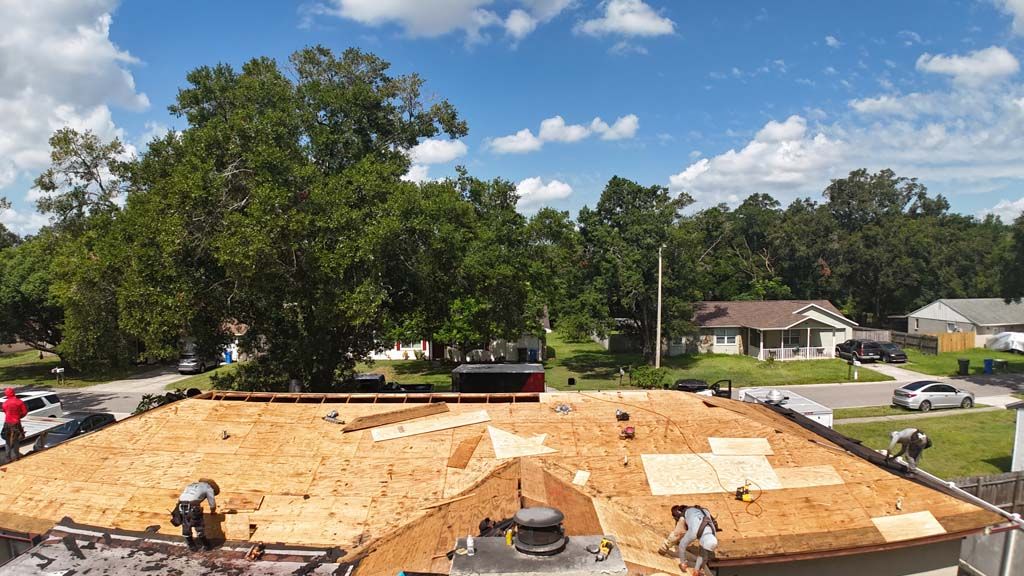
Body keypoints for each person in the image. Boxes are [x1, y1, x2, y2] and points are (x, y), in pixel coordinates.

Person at [660, 504, 719, 575]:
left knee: (703, 553)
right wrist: (683, 563)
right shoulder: (694, 532)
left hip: (702, 514)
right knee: (678, 534)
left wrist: (697, 569)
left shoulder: (713, 534)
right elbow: (682, 545)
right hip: (688, 513)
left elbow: (703, 554)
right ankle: (664, 547)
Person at [174, 479, 219, 551]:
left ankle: (191, 546)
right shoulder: (208, 487)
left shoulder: (190, 485)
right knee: (198, 526)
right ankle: (206, 545)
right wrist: (212, 512)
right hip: (193, 507)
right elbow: (212, 503)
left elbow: (182, 497)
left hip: (181, 506)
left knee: (185, 525)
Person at [2, 388, 27, 462]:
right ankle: (17, 457)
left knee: (7, 441)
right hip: (16, 423)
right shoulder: (19, 402)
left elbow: (5, 411)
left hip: (7, 424)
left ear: (6, 394)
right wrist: (19, 416)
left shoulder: (5, 403)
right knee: (16, 441)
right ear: (13, 393)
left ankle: (8, 458)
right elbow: (24, 412)